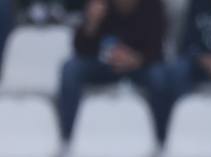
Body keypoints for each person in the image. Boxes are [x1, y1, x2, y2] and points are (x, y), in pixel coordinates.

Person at [58, 0, 166, 141]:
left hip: (139, 66)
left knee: (159, 76)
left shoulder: (152, 5)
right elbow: (80, 48)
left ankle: (161, 136)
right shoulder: (100, 4)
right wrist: (92, 24)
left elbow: (158, 49)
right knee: (70, 69)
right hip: (103, 64)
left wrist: (136, 59)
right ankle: (69, 137)